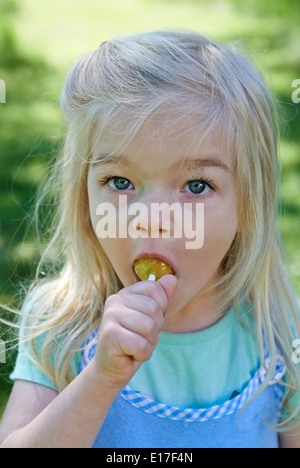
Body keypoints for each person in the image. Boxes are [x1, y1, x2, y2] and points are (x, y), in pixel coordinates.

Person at [0, 29, 299, 448]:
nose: (151, 220)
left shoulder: (281, 333)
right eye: (119, 181)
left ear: (249, 204)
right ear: (85, 198)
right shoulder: (61, 324)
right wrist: (99, 380)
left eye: (196, 186)